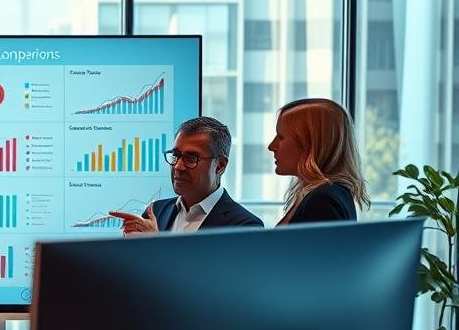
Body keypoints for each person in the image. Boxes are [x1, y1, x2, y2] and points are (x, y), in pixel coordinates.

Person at [110, 116, 262, 233]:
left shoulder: (245, 226)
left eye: (191, 158)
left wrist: (156, 246)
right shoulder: (156, 211)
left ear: (220, 165)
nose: (178, 166)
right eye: (176, 155)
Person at [268, 97, 369, 224]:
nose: (271, 146)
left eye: (281, 137)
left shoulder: (322, 200)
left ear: (308, 144)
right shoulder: (317, 194)